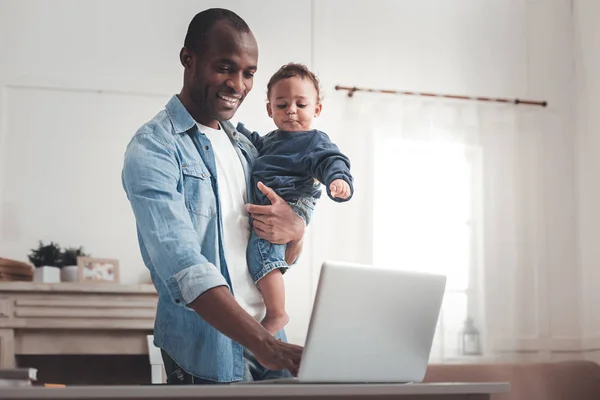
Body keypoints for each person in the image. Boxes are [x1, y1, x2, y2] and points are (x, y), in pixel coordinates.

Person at [121, 8, 311, 384]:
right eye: (224, 67)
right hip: (206, 351)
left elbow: (279, 254)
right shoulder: (153, 148)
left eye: (249, 73)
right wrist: (261, 343)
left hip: (270, 340)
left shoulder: (247, 147)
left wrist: (297, 230)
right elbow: (184, 268)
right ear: (188, 59)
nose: (237, 84)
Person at [237, 63, 353, 335]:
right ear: (269, 110)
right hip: (277, 202)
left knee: (262, 255)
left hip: (292, 201)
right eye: (281, 105)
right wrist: (235, 129)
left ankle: (277, 314)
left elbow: (331, 160)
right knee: (264, 255)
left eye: (301, 104)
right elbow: (256, 144)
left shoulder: (313, 141)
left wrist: (338, 180)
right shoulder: (272, 140)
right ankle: (274, 310)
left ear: (317, 109)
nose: (291, 110)